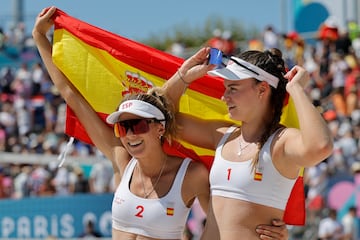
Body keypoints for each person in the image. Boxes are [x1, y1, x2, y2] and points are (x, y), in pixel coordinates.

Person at [32, 6, 289, 240]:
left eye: (139, 125)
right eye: (124, 127)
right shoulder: (122, 160)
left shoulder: (191, 175)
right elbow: (70, 95)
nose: (130, 134)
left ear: (160, 128)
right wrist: (40, 39)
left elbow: (227, 221)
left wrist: (269, 228)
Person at [162, 46, 333, 240]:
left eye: (233, 89)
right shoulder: (223, 135)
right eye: (226, 88)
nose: (224, 97)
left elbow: (321, 146)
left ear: (262, 89)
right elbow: (162, 121)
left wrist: (295, 89)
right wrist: (183, 75)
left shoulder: (280, 142)